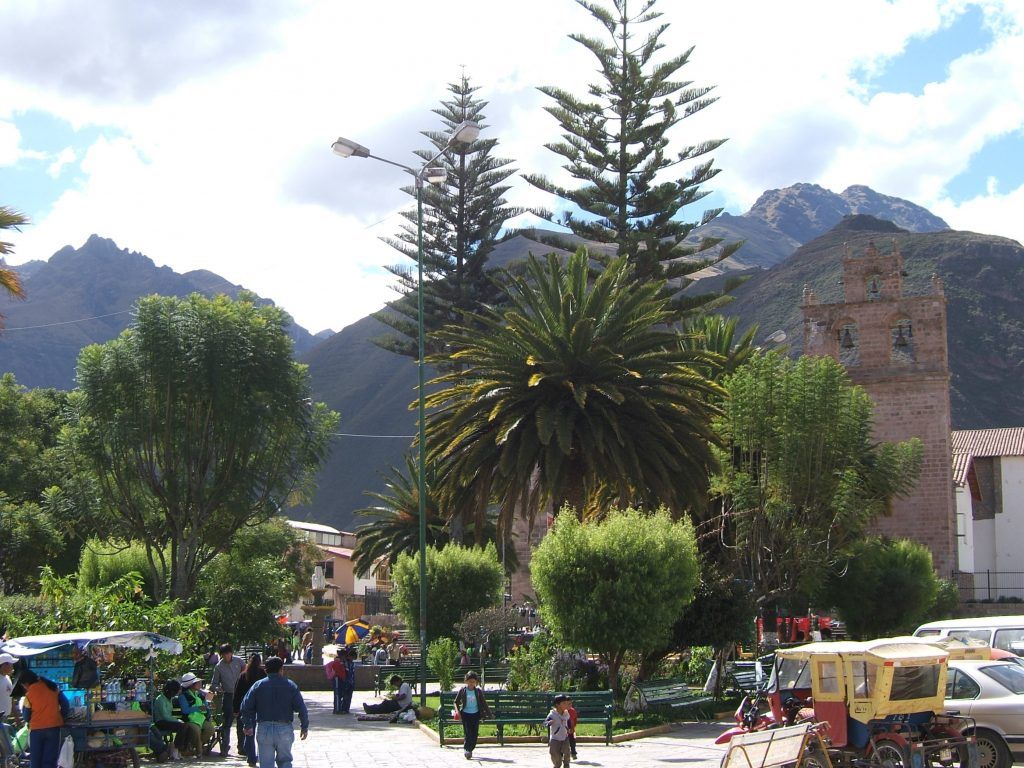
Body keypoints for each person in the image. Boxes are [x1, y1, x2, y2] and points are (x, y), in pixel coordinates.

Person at [239, 656, 308, 768]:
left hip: (264, 728)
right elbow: (301, 707)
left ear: (266, 670)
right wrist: (304, 726)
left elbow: (245, 706)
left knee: (266, 765)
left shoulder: (258, 685)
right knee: (285, 762)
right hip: (284, 728)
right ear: (281, 669)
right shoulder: (290, 685)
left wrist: (248, 725)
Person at [20, 670, 68, 768]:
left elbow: (26, 716)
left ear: (26, 683)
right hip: (53, 728)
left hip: (36, 730)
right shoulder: (53, 687)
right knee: (50, 761)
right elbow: (65, 704)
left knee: (36, 762)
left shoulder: (29, 694)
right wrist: (60, 716)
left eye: (23, 686)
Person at [210, 643, 244, 757]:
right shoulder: (219, 666)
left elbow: (246, 673)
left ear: (231, 653)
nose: (226, 656)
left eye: (228, 653)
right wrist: (217, 688)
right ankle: (225, 747)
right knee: (227, 722)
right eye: (223, 654)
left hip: (240, 695)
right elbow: (214, 683)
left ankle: (242, 747)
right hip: (228, 695)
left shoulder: (239, 661)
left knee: (241, 721)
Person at [233, 655, 266, 767]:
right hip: (260, 707)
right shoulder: (262, 674)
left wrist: (236, 708)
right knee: (261, 733)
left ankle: (251, 757)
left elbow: (237, 693)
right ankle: (260, 755)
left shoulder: (243, 675)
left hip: (246, 707)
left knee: (249, 732)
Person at [454, 671, 491, 760]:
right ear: (466, 681)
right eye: (470, 681)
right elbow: (456, 702)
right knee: (468, 733)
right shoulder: (463, 690)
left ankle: (471, 748)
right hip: (465, 715)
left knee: (474, 734)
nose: (471, 683)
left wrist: (489, 714)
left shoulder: (478, 691)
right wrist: (458, 711)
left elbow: (483, 703)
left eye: (473, 682)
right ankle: (467, 750)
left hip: (475, 715)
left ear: (476, 682)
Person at [178, 673, 215, 756]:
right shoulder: (183, 696)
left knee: (210, 729)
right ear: (191, 685)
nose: (199, 684)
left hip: (201, 719)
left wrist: (208, 707)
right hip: (190, 720)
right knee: (196, 730)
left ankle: (196, 746)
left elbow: (205, 706)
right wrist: (198, 708)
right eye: (197, 682)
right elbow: (185, 710)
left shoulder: (200, 694)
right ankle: (199, 751)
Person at [153, 680, 187, 760]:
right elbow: (165, 716)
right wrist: (177, 721)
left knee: (185, 726)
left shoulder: (169, 699)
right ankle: (175, 750)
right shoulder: (160, 699)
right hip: (160, 722)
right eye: (175, 691)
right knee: (181, 726)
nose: (175, 694)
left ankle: (177, 749)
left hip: (167, 722)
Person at [0, 653, 21, 767]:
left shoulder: (7, 678)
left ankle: (7, 763)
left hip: (5, 717)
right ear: (3, 665)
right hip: (0, 717)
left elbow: (11, 698)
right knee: (6, 743)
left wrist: (16, 716)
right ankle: (10, 761)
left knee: (5, 744)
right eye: (11, 664)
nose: (13, 667)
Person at [544, 694, 572, 768]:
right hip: (555, 739)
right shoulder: (552, 714)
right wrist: (549, 723)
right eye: (564, 703)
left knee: (567, 752)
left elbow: (568, 720)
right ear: (558, 705)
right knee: (554, 753)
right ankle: (557, 765)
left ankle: (566, 764)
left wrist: (570, 728)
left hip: (565, 737)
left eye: (567, 703)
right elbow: (545, 722)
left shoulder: (566, 713)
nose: (566, 705)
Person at [338, 649, 356, 715]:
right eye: (352, 657)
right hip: (346, 682)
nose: (352, 659)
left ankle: (347, 709)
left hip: (351, 682)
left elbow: (353, 674)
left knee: (349, 696)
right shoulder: (345, 663)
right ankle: (343, 708)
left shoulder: (352, 664)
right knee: (345, 696)